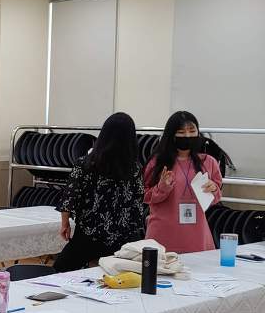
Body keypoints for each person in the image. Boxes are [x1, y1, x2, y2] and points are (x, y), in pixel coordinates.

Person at [54, 112, 147, 272]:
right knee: (123, 275)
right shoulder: (134, 168)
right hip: (124, 238)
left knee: (59, 271)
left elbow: (69, 197)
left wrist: (65, 224)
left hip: (89, 234)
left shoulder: (85, 164)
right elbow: (138, 201)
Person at [144, 110, 222, 254]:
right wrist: (162, 187)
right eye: (181, 132)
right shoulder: (158, 162)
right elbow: (146, 196)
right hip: (163, 235)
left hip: (196, 235)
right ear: (171, 135)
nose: (187, 136)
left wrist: (213, 189)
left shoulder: (208, 162)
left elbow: (216, 198)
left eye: (192, 131)